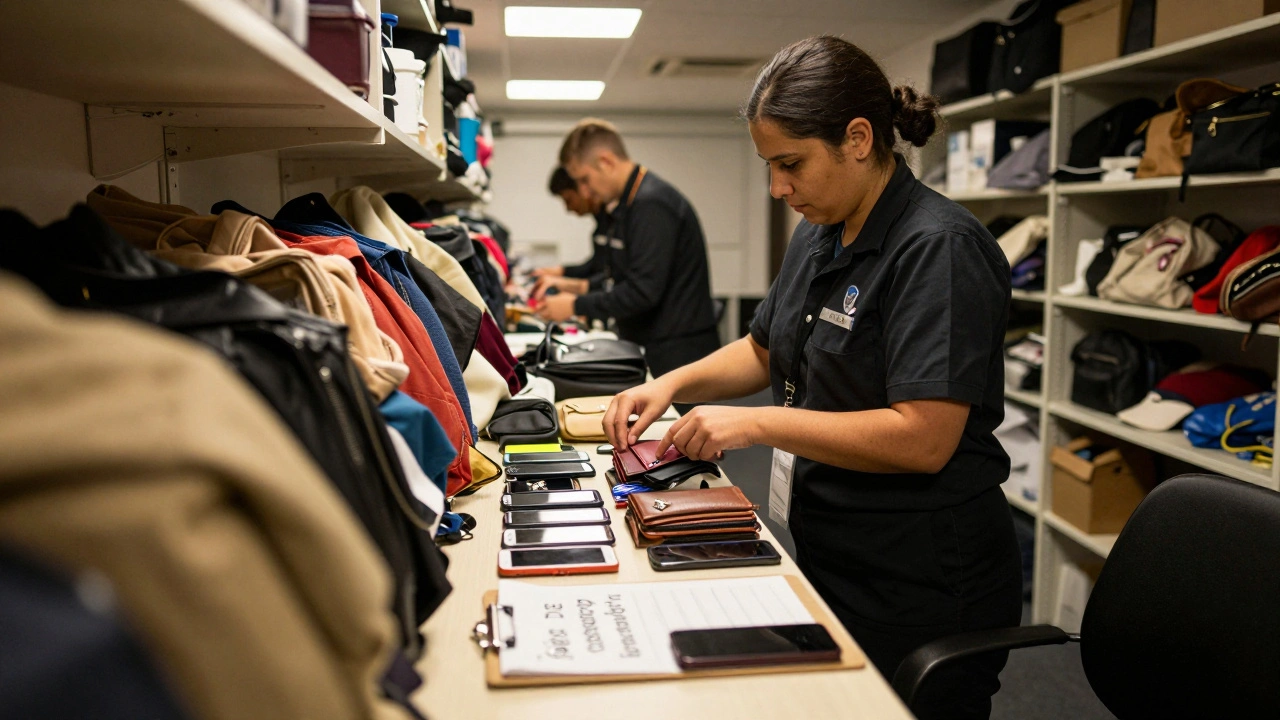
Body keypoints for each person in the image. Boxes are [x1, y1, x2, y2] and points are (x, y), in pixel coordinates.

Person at [604, 36, 1020, 720]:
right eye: (769, 166)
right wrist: (672, 382)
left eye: (790, 164)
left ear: (858, 138)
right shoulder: (821, 232)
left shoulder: (938, 249)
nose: (778, 188)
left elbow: (924, 438)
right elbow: (766, 349)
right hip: (834, 546)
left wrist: (755, 422)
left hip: (920, 574)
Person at [535, 119, 721, 378]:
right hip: (655, 342)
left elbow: (643, 290)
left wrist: (577, 305)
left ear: (607, 162)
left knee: (681, 420)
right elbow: (616, 276)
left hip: (677, 351)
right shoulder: (627, 204)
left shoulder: (651, 204)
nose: (585, 191)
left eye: (585, 180)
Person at [530, 166, 610, 299]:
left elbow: (614, 279)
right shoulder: (602, 221)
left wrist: (574, 301)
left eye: (568, 200)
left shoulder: (615, 220)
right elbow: (597, 264)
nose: (568, 208)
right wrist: (561, 271)